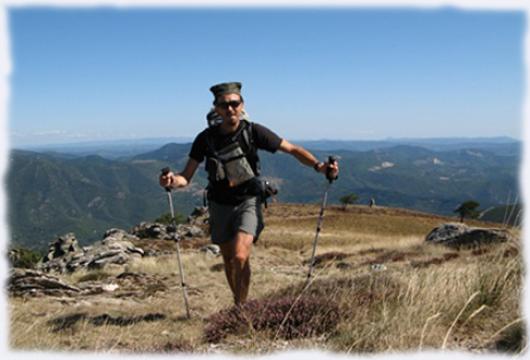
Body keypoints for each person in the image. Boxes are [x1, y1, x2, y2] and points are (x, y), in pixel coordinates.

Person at [159, 81, 339, 306]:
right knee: (228, 259)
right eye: (224, 105)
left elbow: (291, 149)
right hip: (218, 203)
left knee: (240, 256)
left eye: (234, 103)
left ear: (242, 105)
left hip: (248, 201)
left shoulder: (254, 132)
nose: (230, 108)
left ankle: (241, 310)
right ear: (216, 108)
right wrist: (172, 181)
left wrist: (318, 166)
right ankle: (238, 302)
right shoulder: (205, 139)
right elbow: (186, 176)